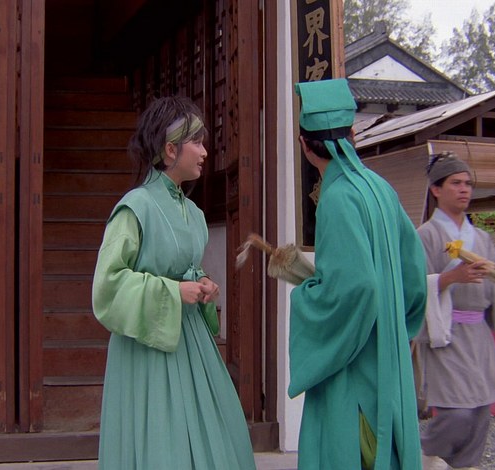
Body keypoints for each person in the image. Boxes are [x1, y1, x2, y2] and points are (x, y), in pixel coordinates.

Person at [90, 96, 255, 470]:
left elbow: (185, 267)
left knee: (213, 430)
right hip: (148, 344)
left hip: (192, 340)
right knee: (161, 439)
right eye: (196, 142)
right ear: (169, 150)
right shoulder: (135, 207)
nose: (205, 152)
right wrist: (172, 291)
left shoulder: (192, 212)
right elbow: (108, 284)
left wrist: (203, 282)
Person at [289, 78, 427, 470]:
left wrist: (306, 294)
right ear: (353, 134)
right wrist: (398, 329)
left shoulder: (336, 197)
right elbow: (415, 274)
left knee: (351, 452)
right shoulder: (381, 188)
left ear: (304, 145)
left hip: (354, 360)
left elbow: (357, 287)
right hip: (387, 351)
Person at [416, 152, 495, 470]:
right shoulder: (425, 235)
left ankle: (464, 465)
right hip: (445, 333)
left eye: (467, 183)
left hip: (478, 334)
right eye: (455, 183)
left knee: (479, 413)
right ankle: (420, 454)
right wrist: (450, 278)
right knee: (457, 413)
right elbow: (413, 286)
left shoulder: (481, 238)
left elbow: (494, 280)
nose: (464, 189)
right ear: (436, 189)